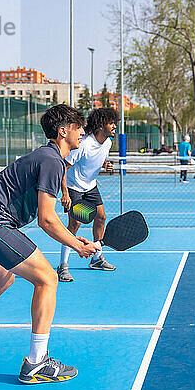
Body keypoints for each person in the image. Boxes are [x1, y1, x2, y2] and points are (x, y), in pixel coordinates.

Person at [0, 104, 100, 385]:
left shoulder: (50, 158)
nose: (83, 132)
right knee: (48, 279)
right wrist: (77, 245)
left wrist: (74, 236)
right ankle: (36, 363)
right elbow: (47, 220)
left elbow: (51, 213)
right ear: (63, 132)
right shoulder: (51, 160)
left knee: (3, 281)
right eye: (78, 128)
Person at [57, 108, 117, 282]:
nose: (114, 126)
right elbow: (63, 167)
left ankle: (97, 258)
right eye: (111, 123)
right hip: (74, 187)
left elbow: (97, 157)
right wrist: (65, 193)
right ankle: (63, 265)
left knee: (101, 217)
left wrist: (105, 163)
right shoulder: (84, 144)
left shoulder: (107, 143)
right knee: (75, 224)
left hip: (90, 187)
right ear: (100, 125)